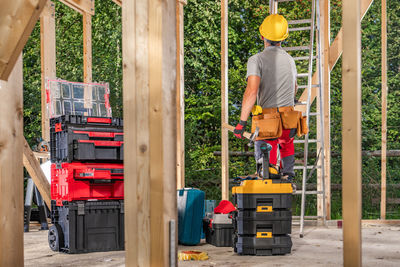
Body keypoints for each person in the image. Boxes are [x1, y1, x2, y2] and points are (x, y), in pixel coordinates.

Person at [233, 14, 298, 181]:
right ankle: (288, 175)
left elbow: (252, 91)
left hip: (268, 122)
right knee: (286, 143)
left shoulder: (256, 60)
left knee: (266, 170)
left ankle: (267, 172)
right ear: (284, 38)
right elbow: (295, 87)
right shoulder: (290, 60)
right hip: (289, 119)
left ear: (262, 36)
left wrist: (242, 122)